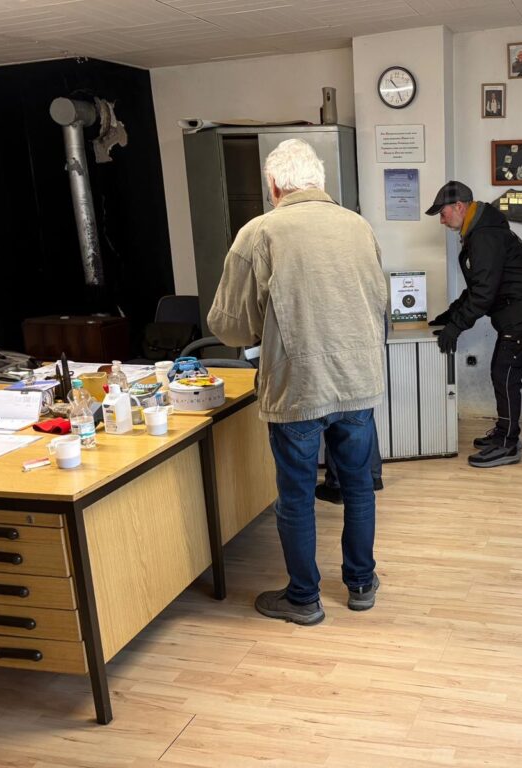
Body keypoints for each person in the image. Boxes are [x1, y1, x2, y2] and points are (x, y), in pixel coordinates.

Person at [208, 138, 388, 625]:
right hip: (358, 383)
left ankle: (304, 599)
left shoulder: (259, 232)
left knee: (296, 496)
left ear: (274, 185)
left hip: (297, 386)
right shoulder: (359, 226)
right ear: (320, 181)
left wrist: (264, 327)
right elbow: (381, 302)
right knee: (358, 488)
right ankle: (361, 584)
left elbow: (229, 327)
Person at [425, 181, 522, 468]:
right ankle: (505, 432)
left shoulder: (484, 236)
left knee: (504, 374)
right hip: (518, 310)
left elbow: (483, 294)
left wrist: (456, 327)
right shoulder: (479, 231)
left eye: (443, 213)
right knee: (502, 373)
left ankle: (508, 444)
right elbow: (479, 285)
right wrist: (450, 315)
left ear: (459, 206)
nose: (442, 220)